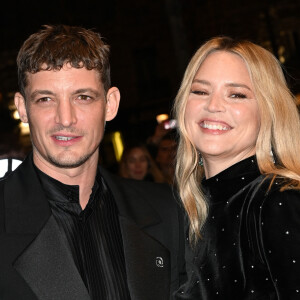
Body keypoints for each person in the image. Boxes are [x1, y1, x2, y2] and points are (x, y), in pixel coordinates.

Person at [0, 24, 186, 300]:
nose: (65, 118)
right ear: (23, 108)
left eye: (83, 97)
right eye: (46, 99)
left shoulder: (169, 211)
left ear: (110, 104)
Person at [172, 36, 300, 299]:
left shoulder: (278, 200)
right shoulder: (192, 209)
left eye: (237, 94)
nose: (213, 106)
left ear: (268, 110)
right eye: (200, 91)